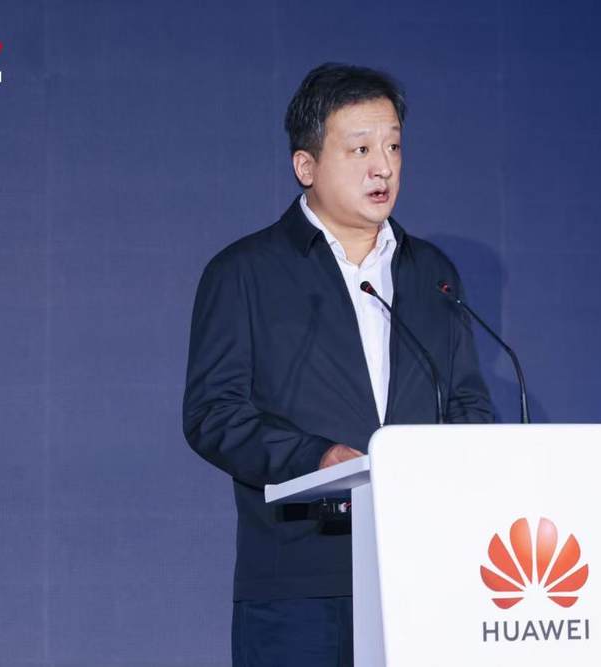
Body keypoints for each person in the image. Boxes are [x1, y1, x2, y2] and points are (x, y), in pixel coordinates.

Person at [182, 62, 495, 667]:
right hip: (301, 577)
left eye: (393, 146)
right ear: (307, 166)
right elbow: (213, 414)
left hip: (424, 574)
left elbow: (468, 404)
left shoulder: (431, 274)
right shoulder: (244, 272)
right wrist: (316, 457)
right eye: (360, 149)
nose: (384, 167)